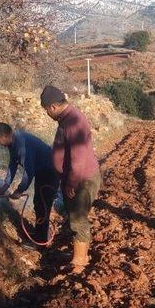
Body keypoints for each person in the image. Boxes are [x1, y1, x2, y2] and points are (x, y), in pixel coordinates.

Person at [40, 85, 101, 271]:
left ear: (52, 107)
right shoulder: (68, 118)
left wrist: (71, 184)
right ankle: (79, 253)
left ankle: (80, 261)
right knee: (77, 216)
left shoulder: (73, 122)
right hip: (79, 177)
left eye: (46, 110)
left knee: (78, 219)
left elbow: (78, 158)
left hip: (81, 180)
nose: (47, 114)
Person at [0, 122, 59, 245]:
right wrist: (5, 186)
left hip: (50, 172)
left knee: (42, 205)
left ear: (5, 136)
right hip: (42, 171)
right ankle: (40, 234)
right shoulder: (13, 141)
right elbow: (13, 164)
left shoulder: (22, 146)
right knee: (38, 203)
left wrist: (19, 191)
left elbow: (29, 172)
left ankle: (41, 241)